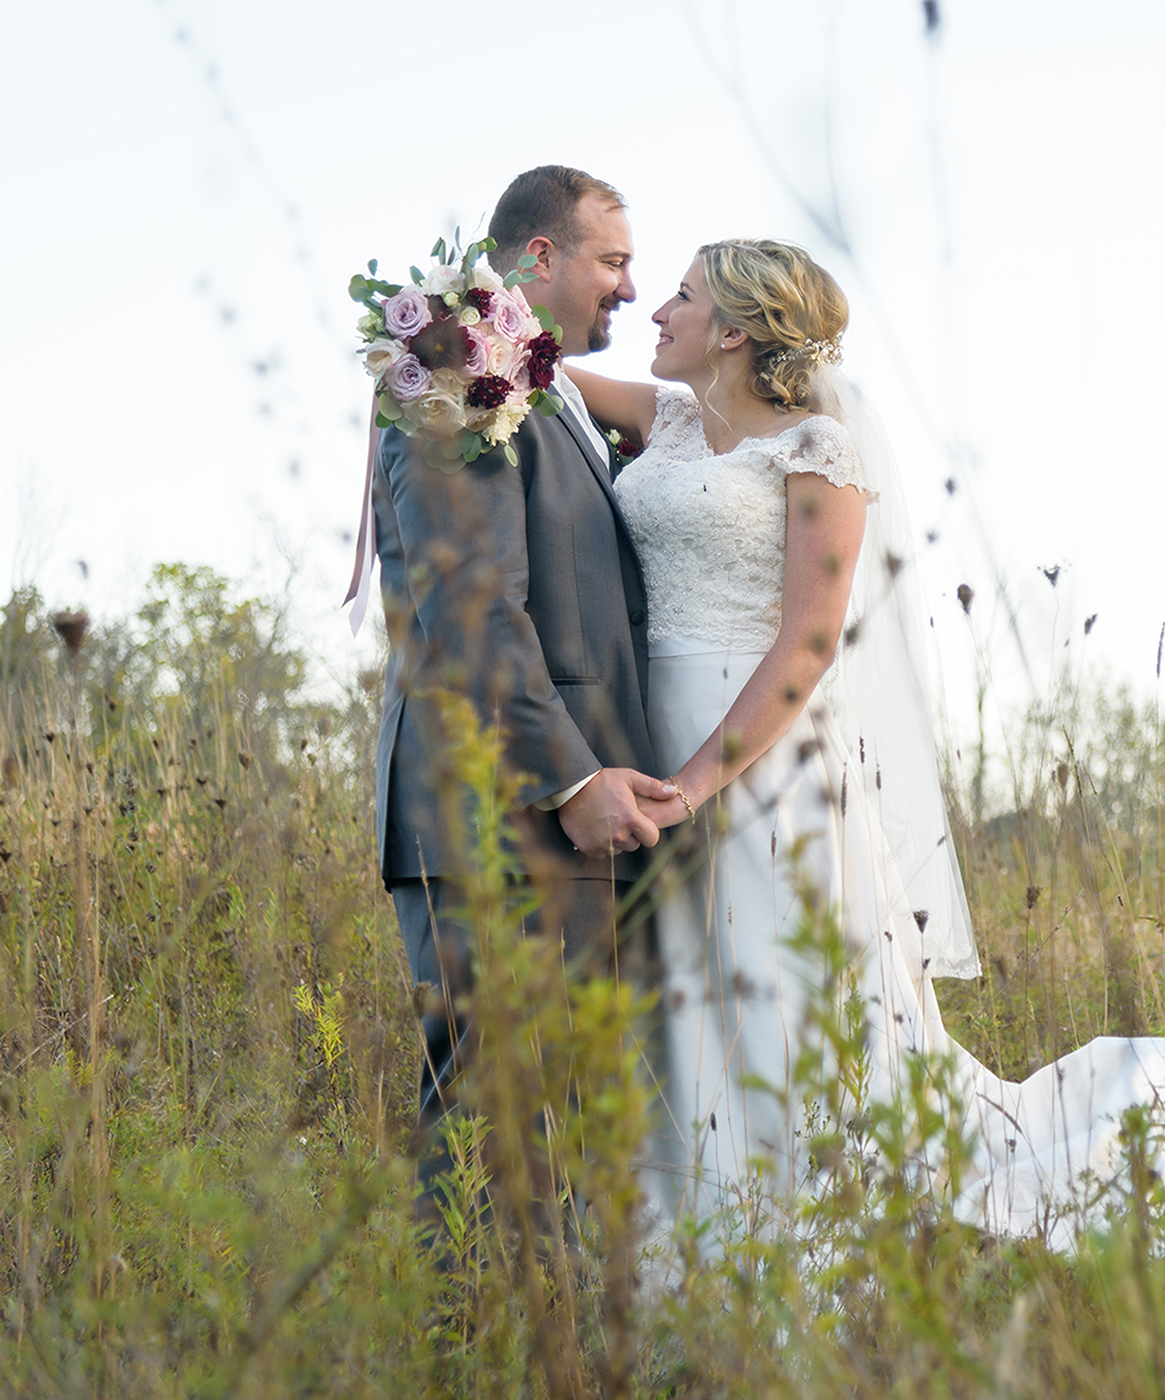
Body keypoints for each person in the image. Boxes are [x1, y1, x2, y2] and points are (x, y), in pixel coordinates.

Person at [567, 238, 1165, 1275]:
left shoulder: (814, 448)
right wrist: (446, 321)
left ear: (737, 328)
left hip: (763, 767)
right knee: (683, 989)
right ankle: (684, 1225)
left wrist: (701, 781)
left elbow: (809, 640)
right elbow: (523, 366)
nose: (655, 308)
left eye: (681, 294)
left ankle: (807, 1230)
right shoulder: (658, 416)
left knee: (774, 986)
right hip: (651, 738)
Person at [371, 165, 682, 1218]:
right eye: (614, 261)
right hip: (493, 811)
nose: (630, 290)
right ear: (540, 257)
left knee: (552, 1134)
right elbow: (470, 610)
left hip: (555, 822)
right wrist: (570, 777)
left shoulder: (543, 387)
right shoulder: (460, 358)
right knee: (487, 1125)